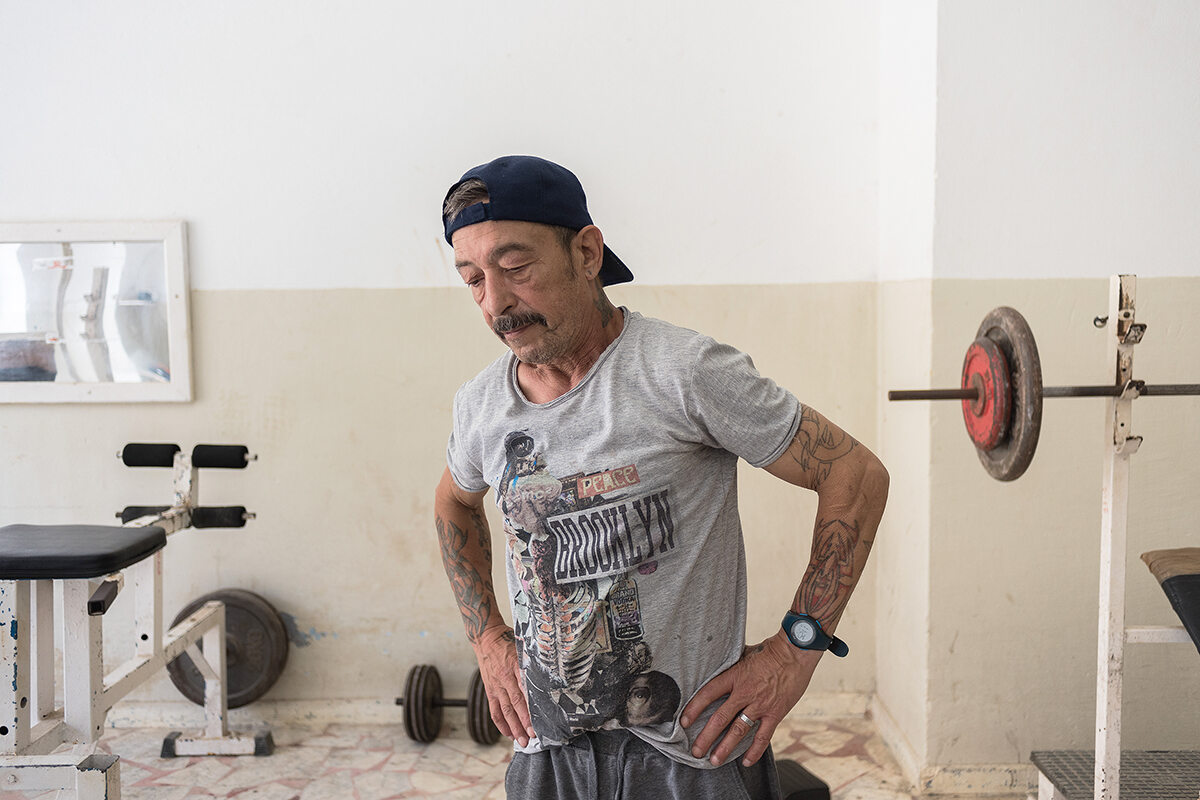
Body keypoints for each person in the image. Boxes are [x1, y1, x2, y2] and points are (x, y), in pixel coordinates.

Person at [433, 155, 888, 799]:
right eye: (473, 278)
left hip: (690, 756)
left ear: (587, 252)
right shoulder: (481, 404)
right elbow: (453, 503)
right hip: (548, 755)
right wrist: (486, 636)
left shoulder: (683, 372)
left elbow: (855, 473)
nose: (496, 303)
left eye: (516, 267)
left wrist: (796, 649)